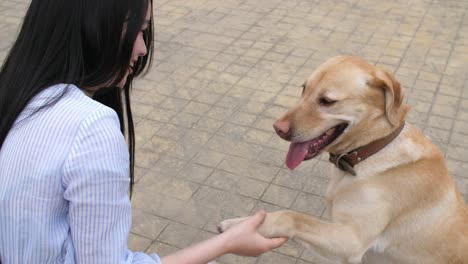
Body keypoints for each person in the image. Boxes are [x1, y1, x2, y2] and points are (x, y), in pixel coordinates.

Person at [0, 0, 288, 263]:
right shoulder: (90, 127)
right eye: (137, 31)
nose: (142, 48)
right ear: (93, 26)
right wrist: (225, 243)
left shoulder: (18, 93)